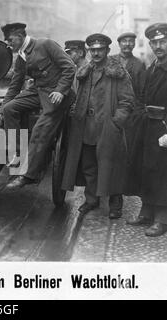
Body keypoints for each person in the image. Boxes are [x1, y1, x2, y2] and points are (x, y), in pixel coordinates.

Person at [0, 22, 76, 188]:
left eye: (10, 40)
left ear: (20, 35)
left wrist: (60, 90)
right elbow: (15, 86)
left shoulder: (45, 44)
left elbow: (70, 67)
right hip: (39, 92)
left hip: (57, 96)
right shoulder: (21, 58)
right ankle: (17, 153)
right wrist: (1, 112)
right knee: (10, 108)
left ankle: (28, 175)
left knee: (40, 132)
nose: (8, 44)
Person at [61, 33, 135, 218]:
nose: (96, 53)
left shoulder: (118, 73)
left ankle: (115, 204)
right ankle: (91, 200)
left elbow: (127, 102)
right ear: (89, 51)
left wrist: (116, 122)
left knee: (112, 165)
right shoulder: (85, 72)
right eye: (92, 50)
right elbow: (77, 95)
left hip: (108, 127)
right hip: (86, 127)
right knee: (89, 165)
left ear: (107, 50)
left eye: (99, 50)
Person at [126, 23, 167, 237]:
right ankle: (147, 212)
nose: (158, 46)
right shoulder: (152, 66)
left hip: (164, 127)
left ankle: (161, 219)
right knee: (147, 169)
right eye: (155, 42)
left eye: (163, 42)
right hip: (147, 125)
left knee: (162, 173)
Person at [112, 32, 146, 198]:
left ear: (134, 44)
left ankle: (124, 186)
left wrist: (136, 113)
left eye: (130, 41)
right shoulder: (110, 60)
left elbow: (141, 92)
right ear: (119, 43)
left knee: (126, 151)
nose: (127, 44)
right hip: (110, 111)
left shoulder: (139, 65)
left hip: (130, 115)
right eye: (124, 41)